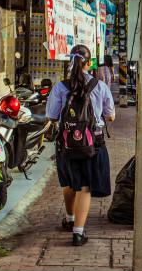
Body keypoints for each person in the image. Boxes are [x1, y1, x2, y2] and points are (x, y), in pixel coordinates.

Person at [46, 44, 115, 247]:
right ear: (88, 63)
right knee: (85, 187)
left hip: (67, 142)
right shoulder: (99, 86)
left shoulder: (60, 87)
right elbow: (110, 116)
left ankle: (69, 218)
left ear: (71, 61)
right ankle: (78, 232)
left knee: (69, 182)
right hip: (93, 142)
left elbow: (51, 115)